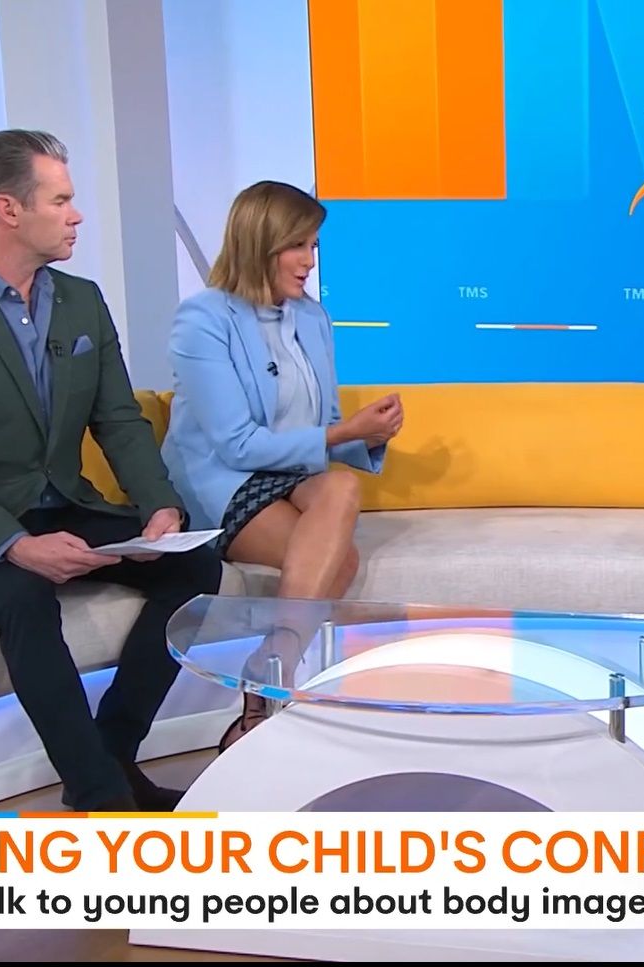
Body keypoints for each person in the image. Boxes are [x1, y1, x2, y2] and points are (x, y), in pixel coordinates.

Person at [0, 129, 222, 812]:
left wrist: (159, 507)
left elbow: (118, 419)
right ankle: (101, 795)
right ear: (8, 209)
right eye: (60, 200)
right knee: (24, 598)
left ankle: (113, 757)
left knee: (194, 567)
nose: (77, 215)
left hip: (63, 502)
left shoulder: (79, 299)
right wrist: (15, 544)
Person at [161, 180, 403, 749]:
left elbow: (324, 424)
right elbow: (238, 446)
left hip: (293, 476)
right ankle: (272, 675)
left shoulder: (312, 318)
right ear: (259, 243)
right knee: (338, 561)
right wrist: (345, 432)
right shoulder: (202, 320)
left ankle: (271, 666)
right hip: (225, 480)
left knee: (341, 488)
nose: (309, 261)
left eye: (313, 245)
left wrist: (367, 435)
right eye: (297, 245)